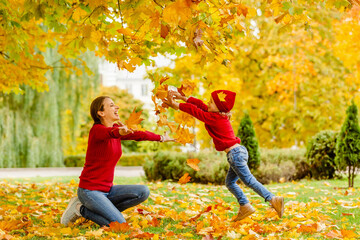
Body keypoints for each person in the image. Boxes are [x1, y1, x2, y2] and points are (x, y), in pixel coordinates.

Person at [163, 89, 284, 221]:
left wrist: (175, 105)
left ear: (218, 107)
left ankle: (272, 199)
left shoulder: (214, 118)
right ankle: (245, 206)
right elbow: (200, 105)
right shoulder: (217, 115)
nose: (208, 103)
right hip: (238, 152)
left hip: (235, 154)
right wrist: (183, 98)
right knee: (230, 183)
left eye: (211, 102)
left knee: (249, 181)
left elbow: (196, 112)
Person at [61, 96, 174, 227]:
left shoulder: (116, 130)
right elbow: (110, 132)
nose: (117, 107)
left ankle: (103, 212)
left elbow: (138, 134)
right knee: (120, 226)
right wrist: (120, 131)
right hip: (89, 191)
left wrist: (161, 138)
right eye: (111, 105)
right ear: (101, 113)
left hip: (108, 190)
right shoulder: (97, 130)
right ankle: (81, 209)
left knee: (143, 191)